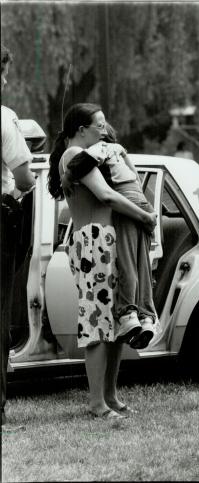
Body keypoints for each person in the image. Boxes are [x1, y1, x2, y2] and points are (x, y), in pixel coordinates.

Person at [48, 103, 156, 418]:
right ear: (81, 129)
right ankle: (97, 403)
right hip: (93, 242)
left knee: (116, 324)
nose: (104, 131)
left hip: (105, 240)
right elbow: (106, 195)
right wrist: (145, 216)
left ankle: (110, 395)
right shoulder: (73, 157)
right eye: (99, 125)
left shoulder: (90, 155)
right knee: (97, 324)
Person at [62, 121, 159, 350]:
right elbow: (135, 176)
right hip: (143, 205)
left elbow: (83, 164)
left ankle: (128, 315)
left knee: (126, 264)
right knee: (141, 266)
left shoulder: (102, 148)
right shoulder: (121, 150)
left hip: (127, 207)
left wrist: (67, 175)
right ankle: (146, 317)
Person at [1, 45, 36, 430]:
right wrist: (24, 187)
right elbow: (24, 177)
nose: (6, 81)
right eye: (4, 73)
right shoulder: (4, 117)